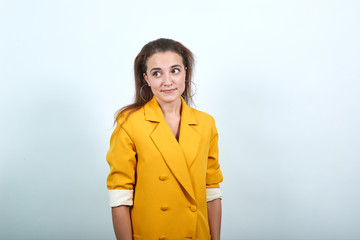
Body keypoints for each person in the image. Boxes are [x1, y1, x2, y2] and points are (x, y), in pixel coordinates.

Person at [106, 38, 223, 240]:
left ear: (186, 72)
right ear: (146, 79)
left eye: (175, 70)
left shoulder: (206, 124)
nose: (167, 81)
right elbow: (120, 199)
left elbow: (211, 192)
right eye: (157, 73)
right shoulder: (129, 123)